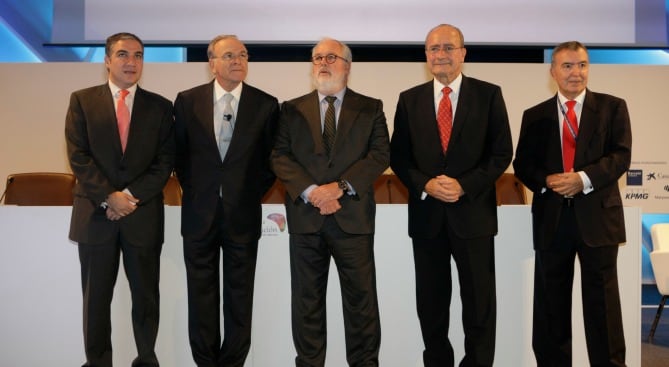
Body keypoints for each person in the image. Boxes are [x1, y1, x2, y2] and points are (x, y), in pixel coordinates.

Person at [390, 24, 512, 367]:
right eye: (433, 49)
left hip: (473, 215)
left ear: (463, 53)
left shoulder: (488, 95)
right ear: (425, 55)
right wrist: (426, 184)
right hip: (427, 218)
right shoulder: (409, 99)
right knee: (430, 303)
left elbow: (501, 153)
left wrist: (465, 185)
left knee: (479, 304)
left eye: (447, 47)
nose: (440, 54)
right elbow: (398, 157)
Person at [271, 37, 389, 366]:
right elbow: (279, 156)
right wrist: (313, 192)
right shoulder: (290, 109)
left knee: (362, 306)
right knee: (306, 306)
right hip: (306, 219)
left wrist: (338, 187)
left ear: (348, 66)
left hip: (353, 220)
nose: (323, 63)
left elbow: (380, 155)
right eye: (317, 58)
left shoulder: (371, 107)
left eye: (331, 57)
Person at [513, 41, 631, 366]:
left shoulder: (612, 107)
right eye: (567, 66)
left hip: (598, 223)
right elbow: (523, 164)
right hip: (552, 222)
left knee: (603, 310)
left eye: (581, 65)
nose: (575, 73)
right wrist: (548, 182)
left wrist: (583, 178)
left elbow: (621, 156)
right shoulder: (534, 116)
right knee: (551, 311)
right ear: (553, 72)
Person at [65, 32, 175, 367]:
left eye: (138, 55)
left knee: (146, 298)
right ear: (107, 60)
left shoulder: (160, 106)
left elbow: (165, 162)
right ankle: (97, 362)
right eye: (124, 54)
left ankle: (146, 359)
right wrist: (109, 197)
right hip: (96, 217)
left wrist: (128, 197)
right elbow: (78, 155)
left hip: (141, 217)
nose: (132, 62)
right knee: (96, 299)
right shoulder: (82, 100)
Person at [173, 34, 279, 367]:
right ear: (212, 63)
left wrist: (244, 192)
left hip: (243, 216)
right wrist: (201, 191)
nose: (238, 61)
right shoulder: (187, 101)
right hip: (199, 215)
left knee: (239, 298)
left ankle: (233, 362)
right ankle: (205, 362)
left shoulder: (266, 104)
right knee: (200, 297)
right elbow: (179, 157)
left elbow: (270, 163)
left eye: (243, 55)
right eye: (229, 55)